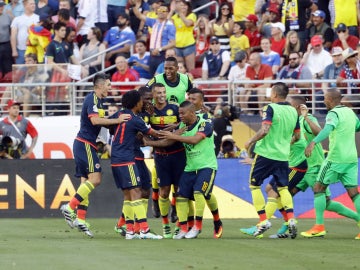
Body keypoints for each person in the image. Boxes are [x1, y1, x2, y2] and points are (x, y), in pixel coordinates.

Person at [60, 73, 130, 238]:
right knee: (96, 179)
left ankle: (81, 219)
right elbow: (95, 121)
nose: (110, 87)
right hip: (85, 144)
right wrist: (118, 121)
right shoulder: (92, 99)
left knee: (85, 183)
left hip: (86, 144)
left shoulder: (99, 101)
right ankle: (69, 207)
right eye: (108, 84)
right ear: (100, 85)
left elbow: (100, 120)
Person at [243, 82, 300, 238]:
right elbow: (298, 136)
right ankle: (291, 219)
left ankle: (263, 221)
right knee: (282, 188)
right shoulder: (293, 111)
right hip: (283, 156)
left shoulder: (270, 108)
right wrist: (284, 144)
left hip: (266, 154)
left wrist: (250, 141)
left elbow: (265, 130)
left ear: (274, 94)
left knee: (254, 186)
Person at [302, 89, 360, 239]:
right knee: (354, 193)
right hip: (352, 159)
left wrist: (313, 142)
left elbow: (328, 129)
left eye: (326, 98)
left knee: (318, 187)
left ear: (332, 99)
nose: (324, 101)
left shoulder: (333, 114)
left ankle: (319, 226)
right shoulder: (349, 112)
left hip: (335, 158)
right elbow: (358, 127)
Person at [157, 101, 219, 239]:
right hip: (190, 167)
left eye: (182, 113)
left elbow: (195, 140)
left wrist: (174, 135)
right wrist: (149, 141)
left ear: (192, 113)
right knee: (181, 196)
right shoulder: (183, 125)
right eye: (179, 113)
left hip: (206, 166)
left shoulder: (204, 124)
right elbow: (169, 138)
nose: (180, 116)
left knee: (199, 193)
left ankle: (197, 226)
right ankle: (183, 228)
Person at [109, 89, 162, 240]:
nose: (142, 103)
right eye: (140, 100)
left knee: (128, 195)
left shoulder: (118, 115)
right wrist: (175, 131)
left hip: (115, 159)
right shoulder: (135, 119)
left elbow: (109, 124)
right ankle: (144, 230)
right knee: (136, 192)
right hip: (127, 159)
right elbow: (154, 133)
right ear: (136, 103)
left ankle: (130, 231)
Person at [147, 83, 186, 238]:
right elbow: (144, 128)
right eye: (158, 93)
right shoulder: (149, 111)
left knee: (178, 190)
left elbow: (185, 124)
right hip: (161, 156)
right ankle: (165, 225)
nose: (162, 95)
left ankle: (177, 223)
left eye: (164, 92)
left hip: (178, 153)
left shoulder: (175, 109)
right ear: (153, 95)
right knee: (164, 192)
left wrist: (175, 125)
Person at [132, 1, 176, 76]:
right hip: (152, 53)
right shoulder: (153, 22)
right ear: (156, 12)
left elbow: (173, 43)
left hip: (162, 54)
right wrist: (134, 5)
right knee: (152, 76)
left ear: (167, 13)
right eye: (160, 10)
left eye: (164, 11)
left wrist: (159, 49)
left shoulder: (170, 25)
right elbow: (139, 15)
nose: (161, 12)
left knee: (162, 77)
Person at [170, 0, 196, 72]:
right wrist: (172, 10)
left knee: (190, 69)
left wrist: (180, 13)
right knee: (178, 69)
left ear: (188, 6)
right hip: (177, 46)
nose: (183, 7)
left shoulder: (192, 15)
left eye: (185, 5)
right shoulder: (175, 17)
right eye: (181, 5)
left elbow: (188, 24)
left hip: (189, 45)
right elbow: (167, 22)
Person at [10, 0, 39, 64]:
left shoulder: (38, 18)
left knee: (34, 72)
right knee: (21, 72)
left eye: (34, 4)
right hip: (21, 50)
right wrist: (14, 50)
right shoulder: (17, 19)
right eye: (31, 4)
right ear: (25, 5)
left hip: (35, 50)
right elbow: (13, 36)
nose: (34, 5)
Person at [0, 2, 13, 77]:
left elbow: (12, 31)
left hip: (6, 44)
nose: (1, 8)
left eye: (2, 6)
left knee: (7, 65)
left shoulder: (7, 16)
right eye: (0, 6)